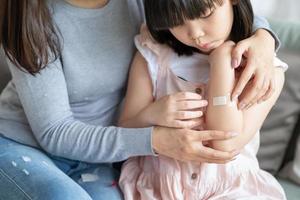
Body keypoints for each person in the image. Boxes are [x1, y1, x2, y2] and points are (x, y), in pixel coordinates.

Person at [0, 0, 282, 199]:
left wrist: (263, 37)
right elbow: (55, 133)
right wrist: (156, 140)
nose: (195, 33)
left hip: (99, 156)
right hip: (22, 144)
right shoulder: (27, 16)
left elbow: (201, 8)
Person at [118, 0, 288, 199]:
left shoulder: (265, 72)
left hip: (230, 189)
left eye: (205, 14)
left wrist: (222, 63)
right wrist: (152, 114)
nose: (195, 34)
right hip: (156, 188)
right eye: (176, 22)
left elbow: (225, 144)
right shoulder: (152, 55)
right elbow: (125, 130)